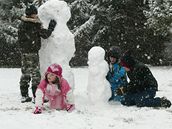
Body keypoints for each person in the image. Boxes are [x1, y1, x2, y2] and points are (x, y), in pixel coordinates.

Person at [18, 4, 57, 103]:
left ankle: (24, 95)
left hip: (24, 52)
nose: (36, 15)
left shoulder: (22, 24)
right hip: (32, 52)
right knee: (36, 75)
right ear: (31, 15)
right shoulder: (34, 25)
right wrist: (51, 27)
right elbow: (45, 35)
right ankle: (36, 97)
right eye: (35, 14)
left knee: (25, 73)